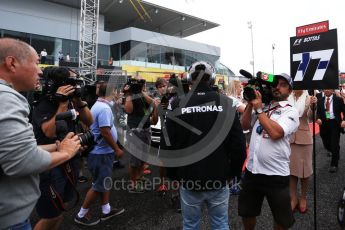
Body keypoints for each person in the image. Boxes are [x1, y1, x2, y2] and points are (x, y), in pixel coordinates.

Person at [0, 38, 81, 230]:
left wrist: (57, 146)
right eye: (36, 63)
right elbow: (22, 160)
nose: (39, 71)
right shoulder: (6, 98)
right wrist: (66, 154)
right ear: (12, 63)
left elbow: (14, 151)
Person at [165, 61, 246, 229]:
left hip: (189, 178)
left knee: (190, 225)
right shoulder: (227, 103)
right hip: (219, 177)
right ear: (213, 80)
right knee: (220, 224)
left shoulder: (176, 103)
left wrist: (174, 175)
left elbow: (168, 144)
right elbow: (238, 144)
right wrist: (233, 174)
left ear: (189, 79)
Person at [32, 67, 93, 230]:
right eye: (72, 81)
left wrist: (80, 102)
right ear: (60, 83)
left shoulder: (73, 101)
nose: (76, 85)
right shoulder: (46, 103)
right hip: (51, 165)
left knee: (62, 208)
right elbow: (49, 132)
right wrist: (62, 104)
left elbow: (90, 121)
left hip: (70, 160)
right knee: (51, 215)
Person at [239, 73, 299, 230]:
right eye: (276, 84)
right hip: (253, 171)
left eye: (283, 84)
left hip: (276, 175)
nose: (277, 87)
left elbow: (276, 133)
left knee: (281, 219)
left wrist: (259, 109)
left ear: (290, 91)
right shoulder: (263, 105)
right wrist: (251, 105)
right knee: (247, 213)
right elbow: (244, 125)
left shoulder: (290, 111)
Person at [75, 82, 125, 226]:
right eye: (117, 91)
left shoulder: (100, 105)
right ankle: (81, 214)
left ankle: (106, 210)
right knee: (98, 185)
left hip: (101, 152)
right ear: (112, 91)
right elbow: (105, 132)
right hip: (101, 153)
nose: (118, 93)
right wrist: (117, 149)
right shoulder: (103, 108)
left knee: (104, 182)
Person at [123, 78, 159, 193]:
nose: (142, 86)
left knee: (143, 157)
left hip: (146, 129)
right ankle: (133, 184)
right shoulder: (129, 97)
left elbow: (153, 103)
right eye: (139, 85)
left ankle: (139, 177)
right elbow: (128, 110)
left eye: (142, 84)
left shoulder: (143, 95)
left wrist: (140, 91)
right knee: (135, 160)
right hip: (135, 131)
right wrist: (129, 93)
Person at [288, 90, 317, 213]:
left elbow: (311, 117)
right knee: (291, 171)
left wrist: (312, 106)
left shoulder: (309, 98)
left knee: (305, 172)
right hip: (288, 139)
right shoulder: (288, 97)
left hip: (304, 139)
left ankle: (303, 198)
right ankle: (293, 198)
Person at [316, 89, 345, 173]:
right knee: (326, 143)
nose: (326, 90)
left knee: (334, 143)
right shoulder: (320, 100)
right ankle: (334, 150)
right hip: (324, 123)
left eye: (328, 89)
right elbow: (318, 112)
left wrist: (343, 120)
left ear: (332, 91)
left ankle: (334, 164)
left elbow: (344, 110)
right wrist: (318, 118)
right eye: (325, 89)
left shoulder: (338, 100)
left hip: (335, 123)